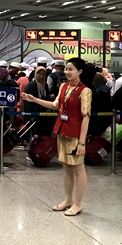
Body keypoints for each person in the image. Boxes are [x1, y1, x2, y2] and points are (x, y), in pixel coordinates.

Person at [22, 57, 91, 216]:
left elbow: (86, 117)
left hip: (75, 135)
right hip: (62, 131)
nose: (67, 72)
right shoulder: (64, 87)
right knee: (67, 168)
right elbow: (55, 105)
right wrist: (34, 99)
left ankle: (78, 203)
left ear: (80, 71)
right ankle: (67, 200)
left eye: (71, 69)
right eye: (66, 69)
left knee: (78, 169)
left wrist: (82, 142)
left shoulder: (85, 91)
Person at [23, 66, 53, 137]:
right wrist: (31, 115)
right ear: (35, 74)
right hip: (34, 112)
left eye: (43, 74)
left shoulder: (45, 85)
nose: (41, 76)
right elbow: (27, 101)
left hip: (43, 112)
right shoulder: (31, 85)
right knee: (35, 133)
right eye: (39, 74)